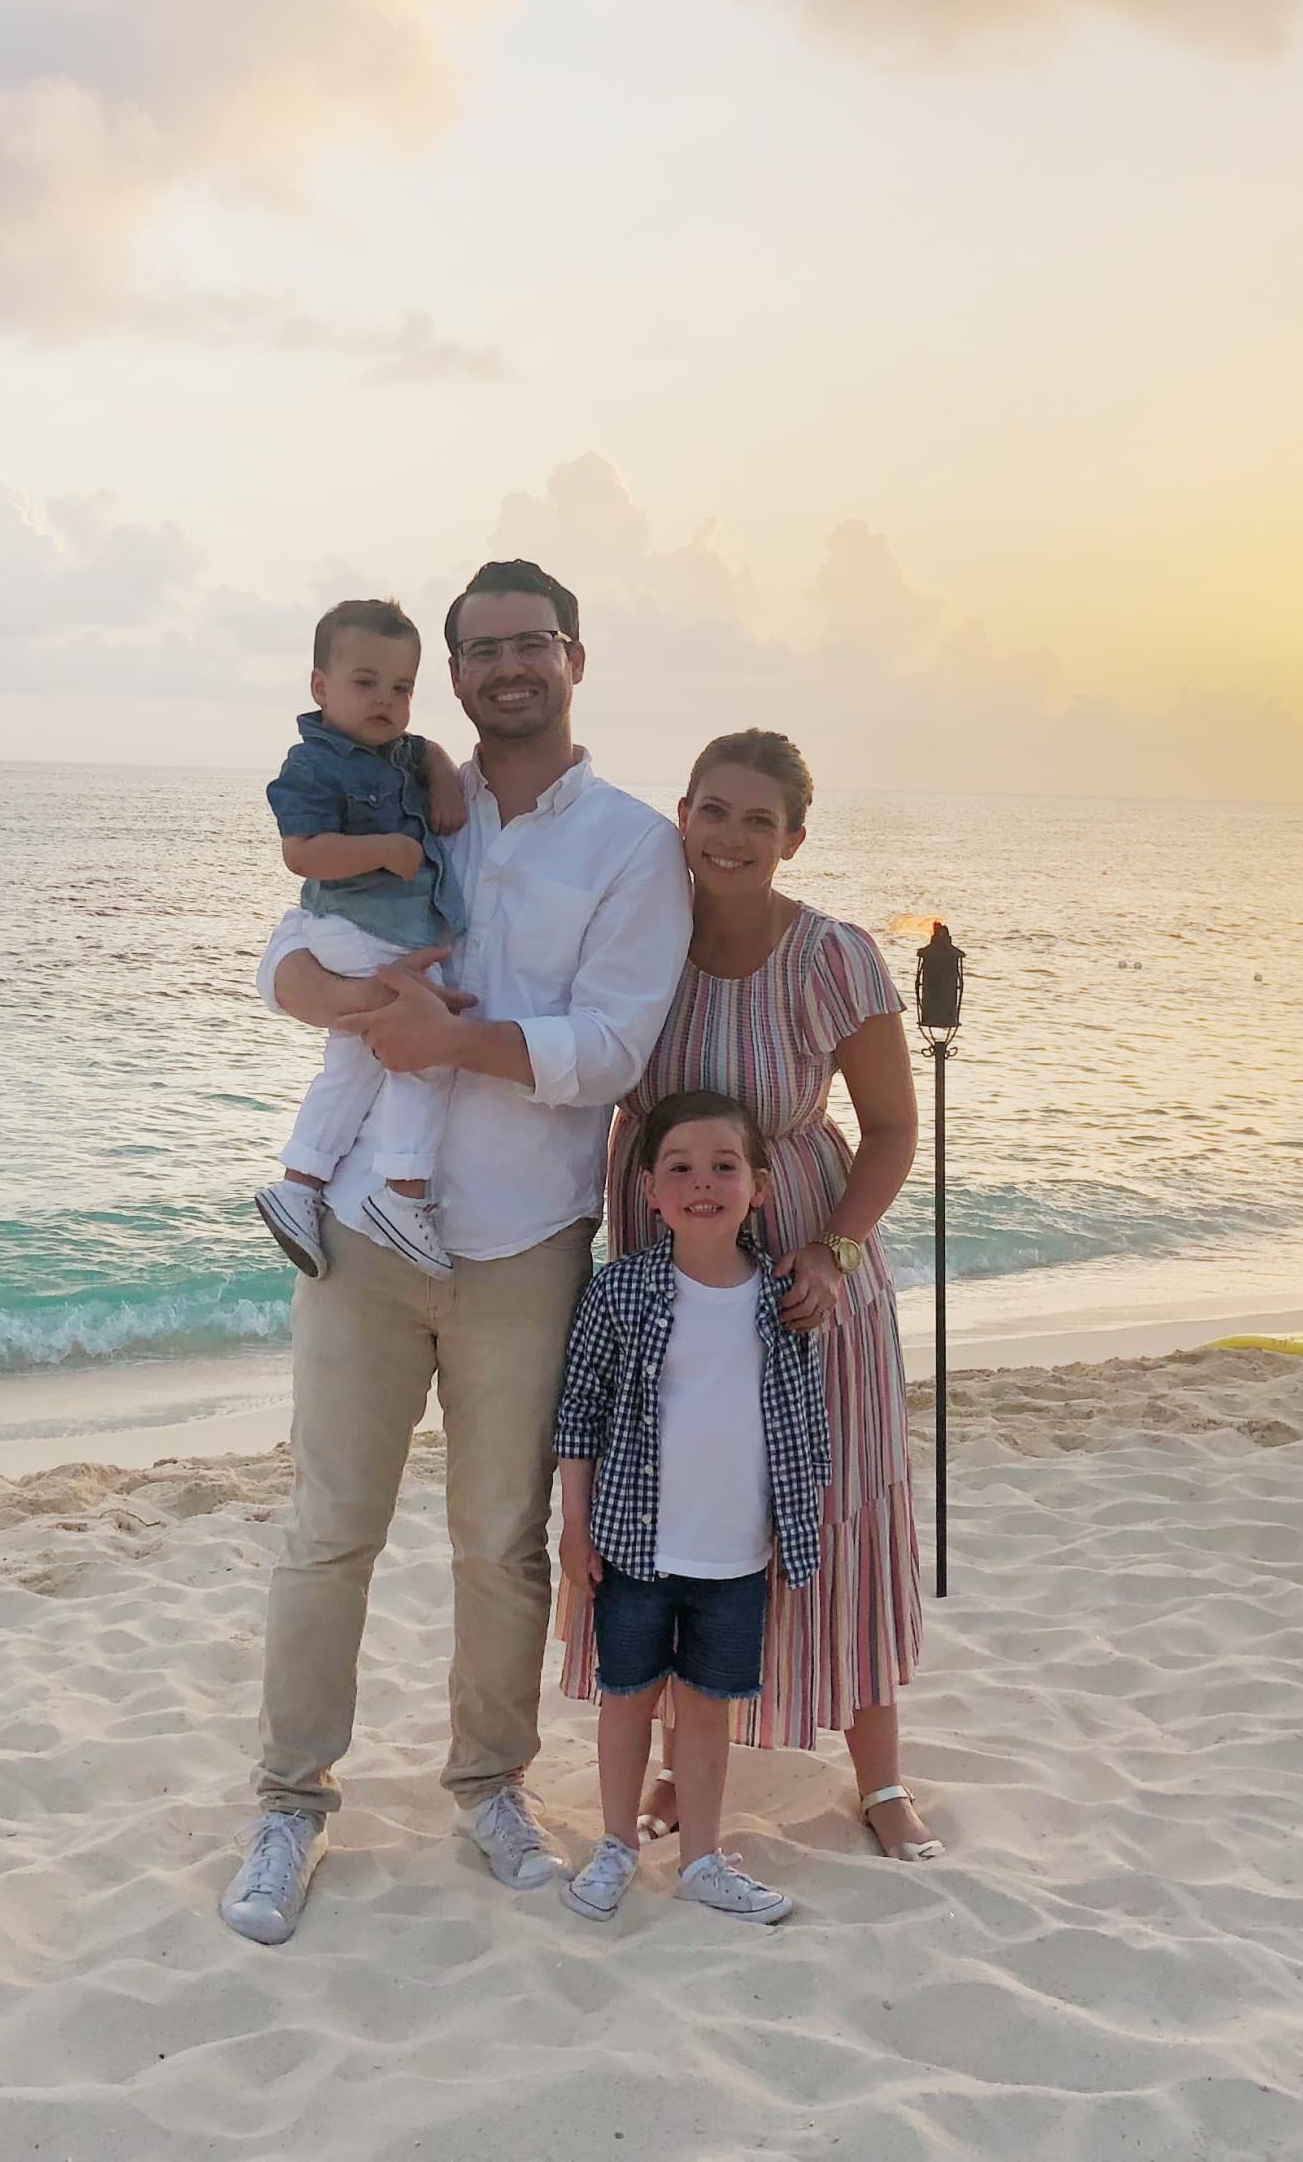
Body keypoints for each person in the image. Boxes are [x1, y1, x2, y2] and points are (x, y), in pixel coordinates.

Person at [219, 558, 693, 1945]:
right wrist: (314, 991)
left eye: (529, 645)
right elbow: (289, 951)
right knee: (327, 1533)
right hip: (366, 1231)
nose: (505, 669)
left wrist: (450, 1043)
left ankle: (489, 1787)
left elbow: (614, 1043)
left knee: (501, 1543)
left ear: (574, 659)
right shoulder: (406, 785)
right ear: (455, 669)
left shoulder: (630, 846)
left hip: (524, 1246)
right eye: (480, 649)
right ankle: (289, 1805)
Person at [559, 728, 940, 1862]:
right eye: (712, 811)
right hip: (659, 1253)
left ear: (792, 838)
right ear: (680, 814)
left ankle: (876, 1780)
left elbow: (888, 1128)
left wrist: (828, 1249)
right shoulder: (636, 942)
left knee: (831, 1503)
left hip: (806, 1266)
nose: (730, 837)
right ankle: (683, 1759)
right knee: (674, 1498)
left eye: (757, 820)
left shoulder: (831, 956)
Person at [554, 1092, 827, 1926]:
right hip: (634, 1545)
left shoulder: (783, 1301)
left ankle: (704, 1856)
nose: (701, 1184)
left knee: (708, 1712)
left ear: (760, 1187)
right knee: (627, 1698)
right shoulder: (620, 1291)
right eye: (679, 1168)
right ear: (647, 1191)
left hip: (735, 1555)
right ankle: (615, 1846)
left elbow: (802, 1422)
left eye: (723, 1167)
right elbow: (578, 1410)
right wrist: (573, 1524)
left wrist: (795, 1527)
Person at [253, 598, 469, 1280]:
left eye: (402, 688)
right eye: (365, 682)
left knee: (351, 1064)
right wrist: (383, 849)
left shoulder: (405, 753)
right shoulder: (316, 764)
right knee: (424, 1052)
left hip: (383, 930)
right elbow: (302, 853)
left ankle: (300, 1184)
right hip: (356, 927)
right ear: (321, 687)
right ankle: (402, 1192)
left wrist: (436, 762)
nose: (386, 700)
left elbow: (439, 778)